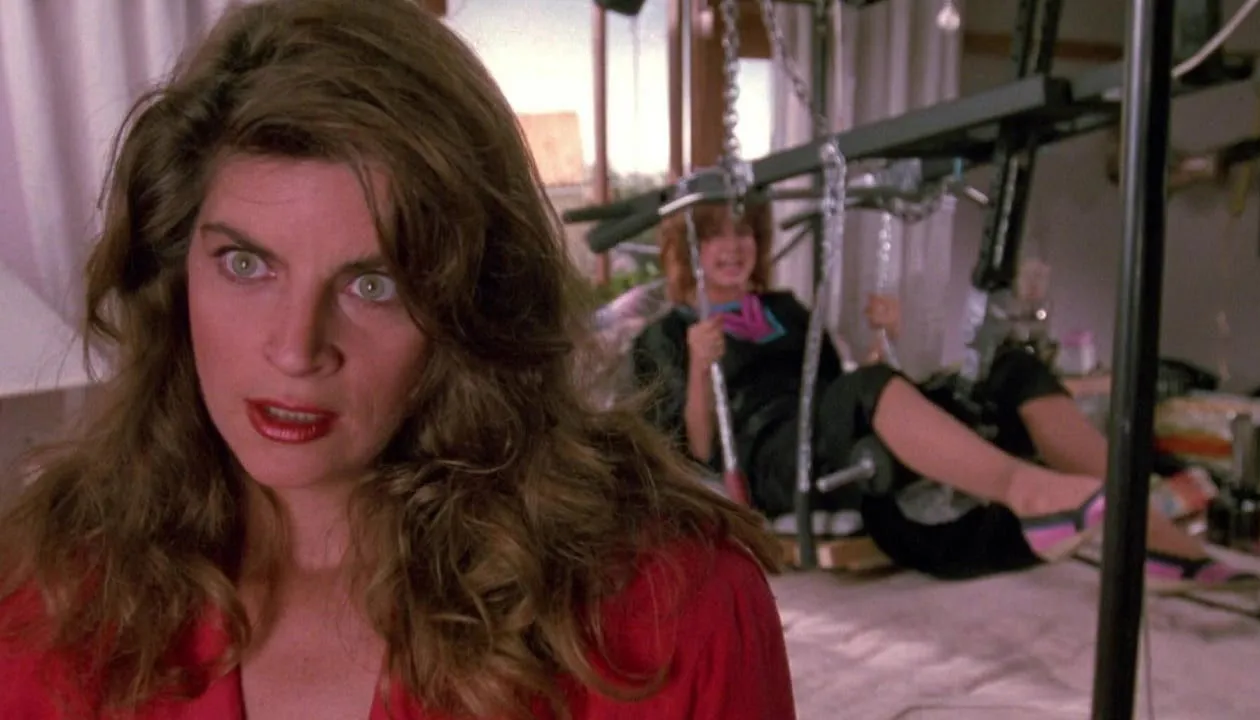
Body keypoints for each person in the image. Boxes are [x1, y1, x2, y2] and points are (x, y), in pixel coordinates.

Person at [0, 2, 796, 718]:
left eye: (373, 284)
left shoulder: (674, 610)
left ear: (471, 305)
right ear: (176, 276)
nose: (296, 349)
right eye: (246, 264)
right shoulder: (49, 603)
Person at [631, 201, 1260, 593]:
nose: (734, 246)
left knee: (1012, 370)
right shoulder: (663, 335)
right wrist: (698, 367)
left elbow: (837, 387)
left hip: (829, 426)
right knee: (866, 391)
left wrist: (884, 342)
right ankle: (1032, 495)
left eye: (744, 231)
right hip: (774, 455)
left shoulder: (787, 309)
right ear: (687, 250)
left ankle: (1144, 521)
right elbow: (696, 451)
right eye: (714, 235)